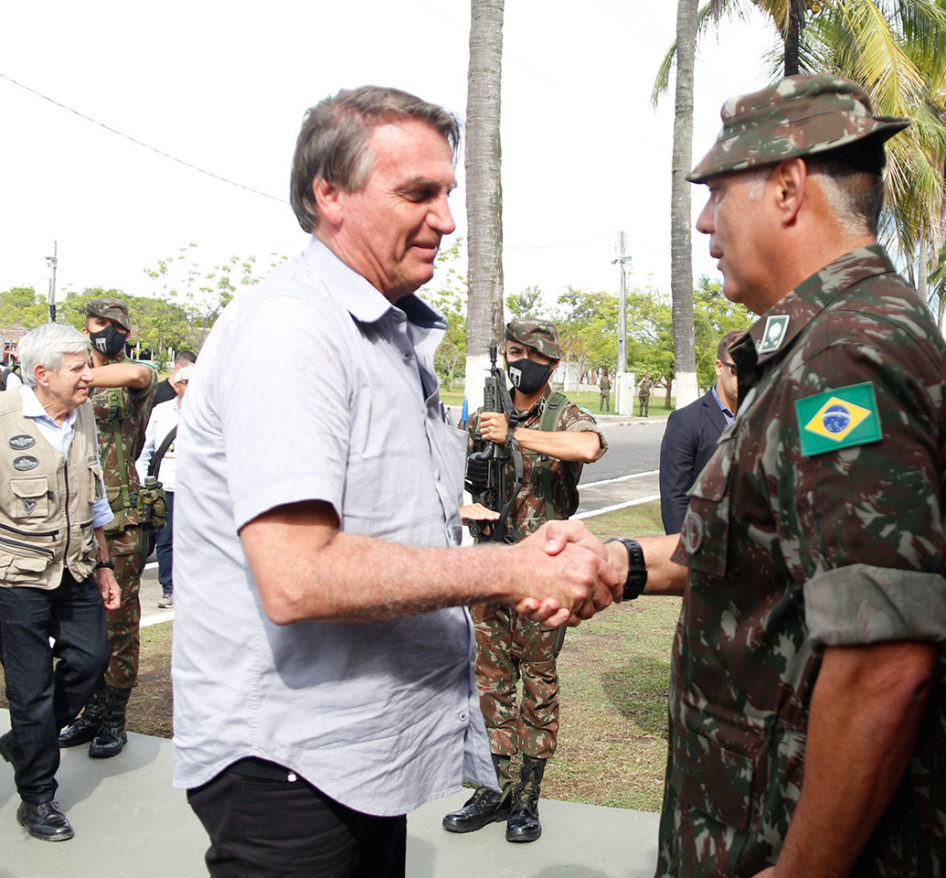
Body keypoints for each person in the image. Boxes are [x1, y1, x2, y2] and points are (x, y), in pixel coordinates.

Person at [171, 86, 617, 876]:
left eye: (447, 193)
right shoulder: (293, 331)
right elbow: (298, 576)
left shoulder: (387, 337)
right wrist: (510, 566)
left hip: (358, 757)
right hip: (292, 764)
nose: (446, 219)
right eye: (418, 193)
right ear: (329, 195)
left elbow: (399, 519)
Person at [565, 75, 946, 876]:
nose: (703, 220)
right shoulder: (816, 344)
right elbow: (765, 558)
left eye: (720, 193)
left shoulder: (846, 359)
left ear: (788, 188)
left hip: (787, 839)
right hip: (743, 817)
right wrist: (624, 562)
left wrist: (804, 871)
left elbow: (884, 660)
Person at [444, 319, 606, 843]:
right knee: (489, 680)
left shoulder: (566, 415)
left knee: (536, 682)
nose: (519, 361)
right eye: (513, 351)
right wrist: (465, 501)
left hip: (543, 571)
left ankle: (528, 796)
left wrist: (512, 434)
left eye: (531, 353)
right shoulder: (486, 411)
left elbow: (588, 447)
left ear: (553, 363)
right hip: (491, 567)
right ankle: (494, 789)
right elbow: (452, 471)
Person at [0, 323, 121, 842]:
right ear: (41, 373)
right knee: (30, 692)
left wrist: (106, 565)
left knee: (91, 661)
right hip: (16, 579)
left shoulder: (83, 415)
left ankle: (27, 741)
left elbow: (95, 500)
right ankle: (38, 798)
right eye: (78, 368)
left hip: (75, 570)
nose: (88, 377)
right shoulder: (3, 421)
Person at [57, 297, 155, 760]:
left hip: (120, 519)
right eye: (94, 323)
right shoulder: (66, 378)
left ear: (124, 333)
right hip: (74, 521)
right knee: (81, 624)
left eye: (109, 325)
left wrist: (74, 374)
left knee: (119, 622)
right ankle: (89, 710)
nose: (100, 331)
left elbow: (136, 376)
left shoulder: (135, 375)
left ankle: (114, 715)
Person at [658, 329, 745, 533]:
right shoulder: (686, 421)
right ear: (719, 366)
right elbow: (674, 499)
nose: (745, 377)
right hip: (706, 544)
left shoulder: (764, 415)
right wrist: (685, 555)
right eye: (737, 370)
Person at [135, 364, 193, 609]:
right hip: (165, 486)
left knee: (193, 540)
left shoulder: (209, 413)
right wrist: (144, 483)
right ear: (176, 385)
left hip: (194, 489)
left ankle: (191, 588)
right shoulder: (161, 412)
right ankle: (168, 588)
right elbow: (146, 451)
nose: (192, 387)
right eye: (187, 382)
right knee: (165, 540)